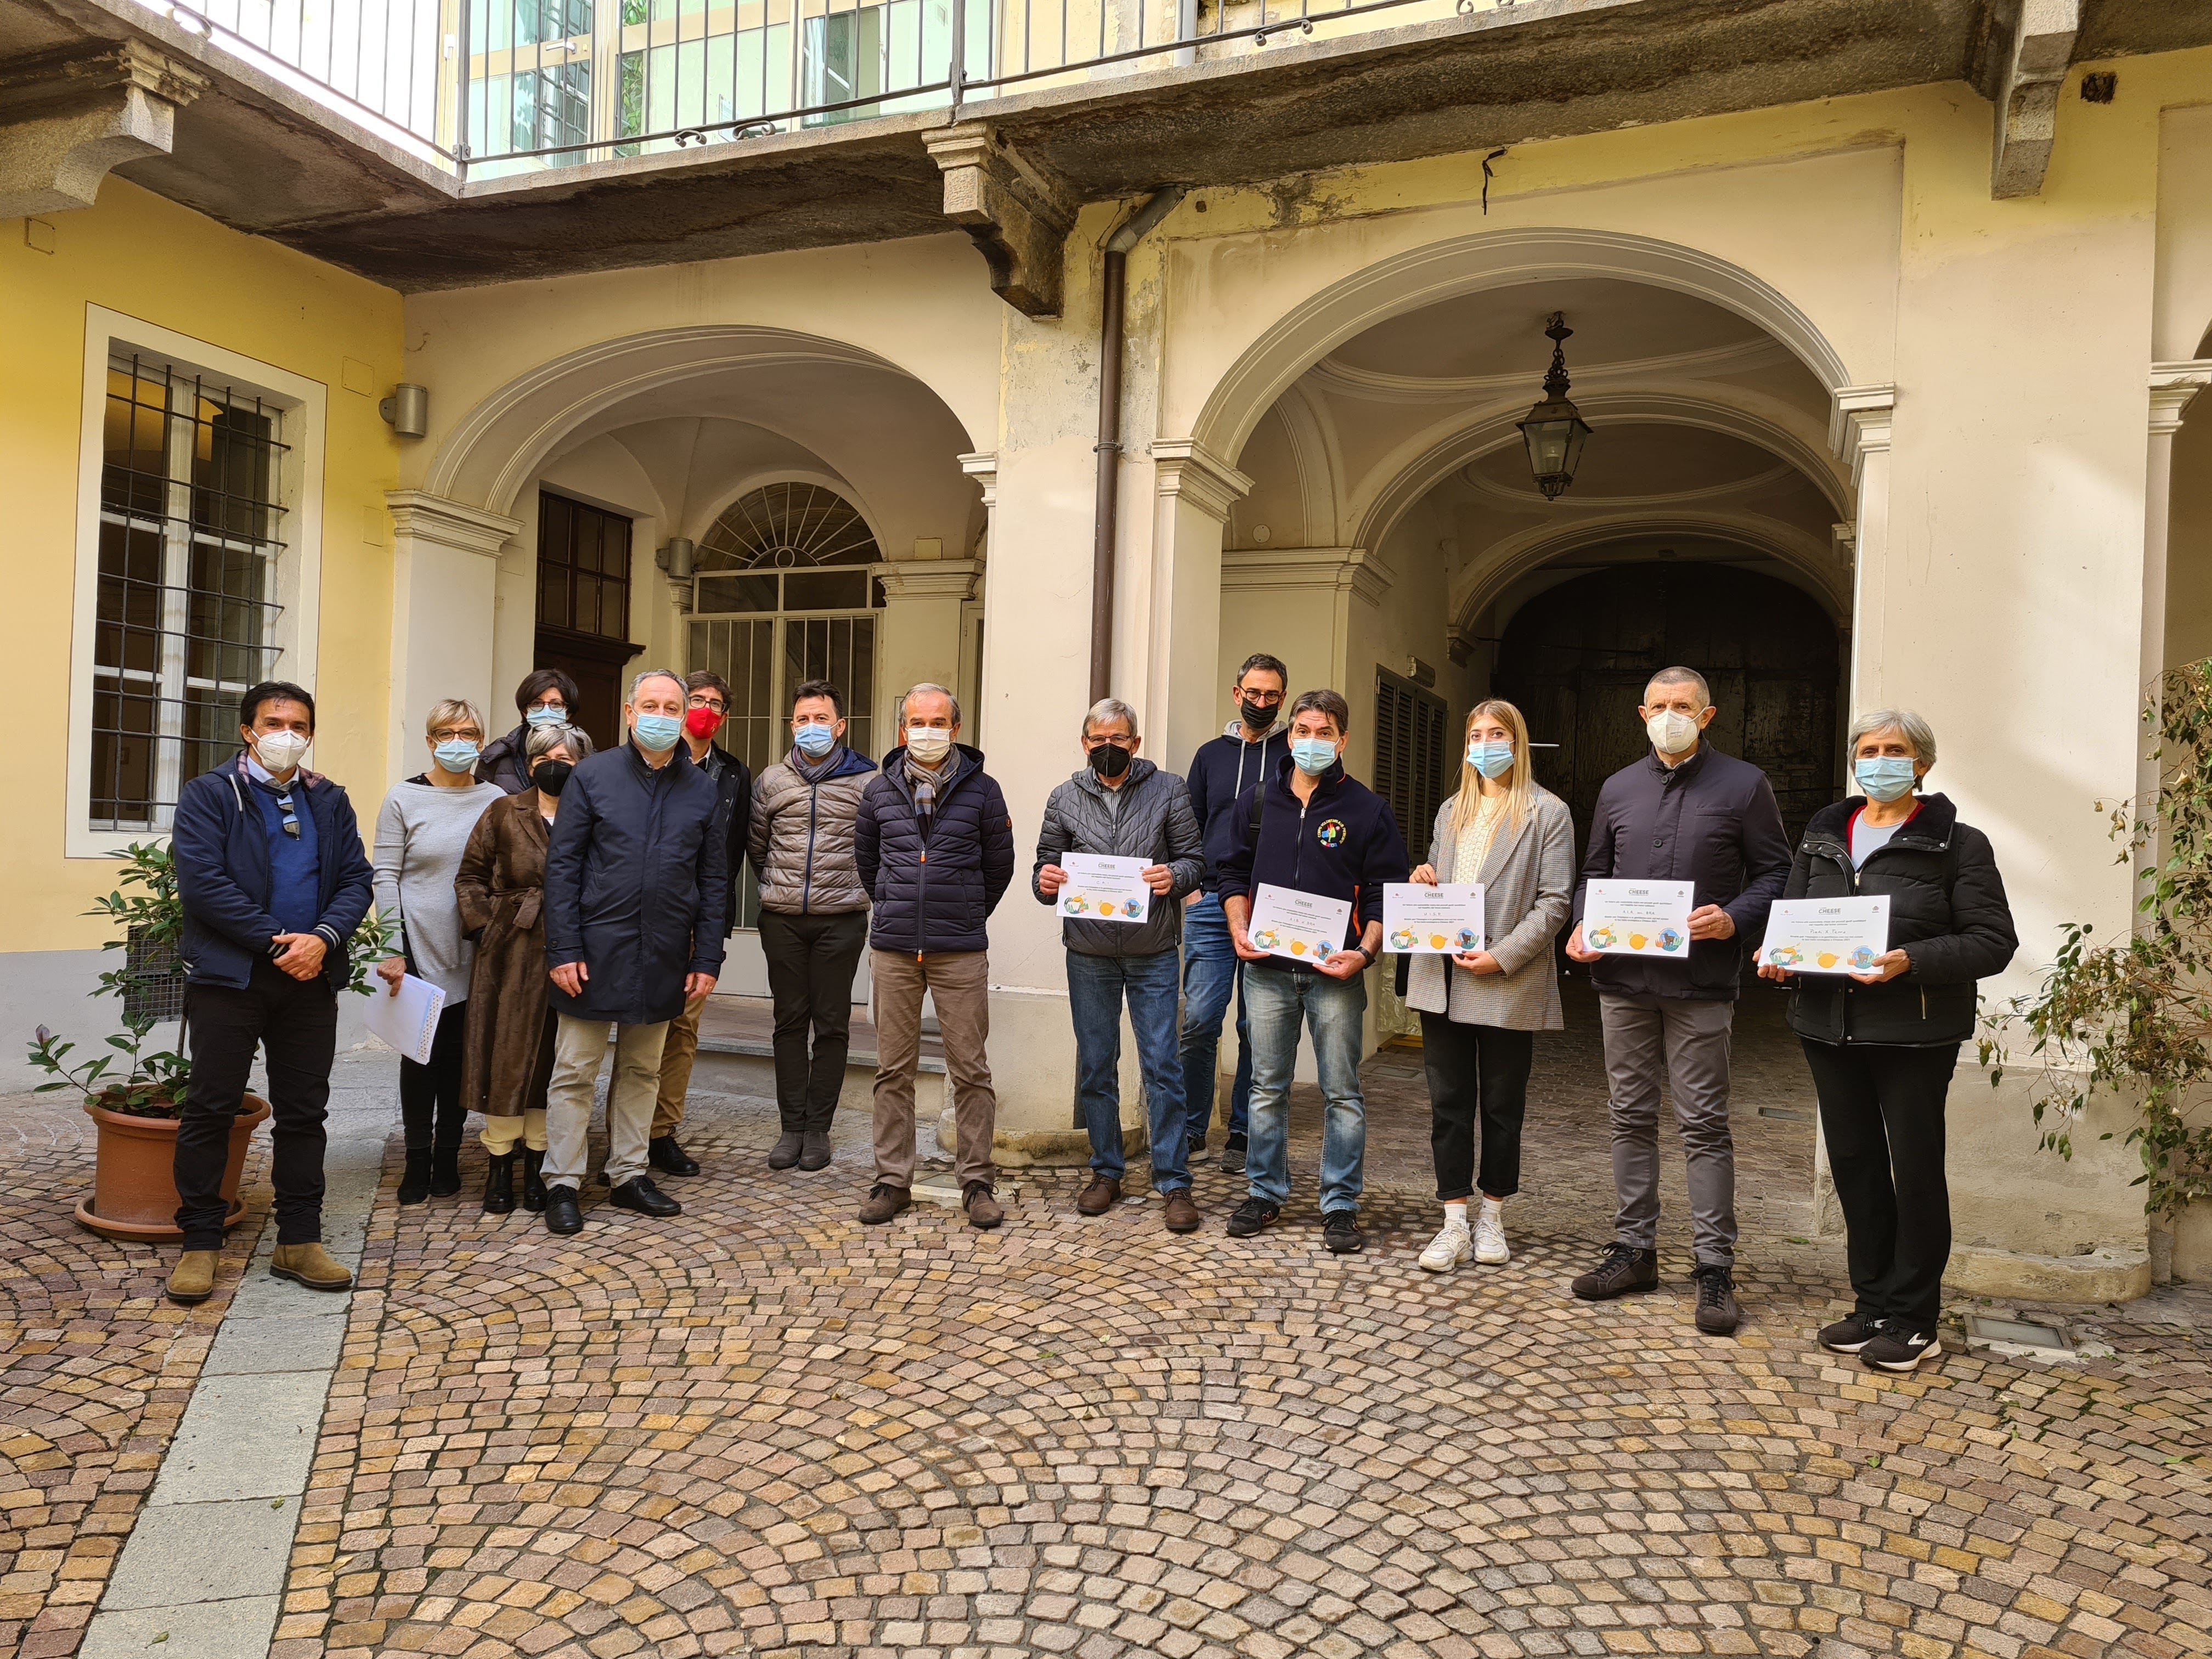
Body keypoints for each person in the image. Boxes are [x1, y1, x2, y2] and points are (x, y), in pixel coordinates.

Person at [1760, 709, 2016, 1374]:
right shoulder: (1822, 837)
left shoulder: (1960, 843)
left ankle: (1915, 1318)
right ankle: (1872, 1304)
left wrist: (1911, 959)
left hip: (1915, 1034)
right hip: (1828, 1027)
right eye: (1868, 750)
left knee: (1915, 1173)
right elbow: (1791, 920)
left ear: (1921, 765)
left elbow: (1993, 941)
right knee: (1856, 1169)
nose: (1880, 760)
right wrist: (1779, 958)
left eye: (1895, 750)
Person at [1564, 665, 1791, 1336]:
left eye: (1683, 705)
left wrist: (1736, 917)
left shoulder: (1745, 786)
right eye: (1659, 705)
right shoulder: (1617, 788)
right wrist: (1583, 923)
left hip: (1700, 982)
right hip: (1624, 982)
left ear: (1708, 714)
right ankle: (1634, 1250)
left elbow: (1777, 870)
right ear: (1641, 714)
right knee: (1629, 1115)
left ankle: (1714, 1267)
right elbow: (1593, 872)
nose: (1671, 714)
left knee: (1703, 1123)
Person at [165, 681, 374, 1305]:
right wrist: (281, 943)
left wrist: (325, 939)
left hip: (311, 981)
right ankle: (201, 1244)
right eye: (275, 721)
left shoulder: (329, 800)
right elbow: (203, 885)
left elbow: (356, 879)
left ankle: (299, 1240)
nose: (288, 734)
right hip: (233, 979)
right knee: (211, 1107)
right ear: (248, 730)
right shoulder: (209, 795)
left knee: (305, 1112)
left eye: (300, 725)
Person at [1217, 687, 1409, 1254]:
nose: (1312, 741)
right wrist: (1238, 928)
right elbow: (1231, 872)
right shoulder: (1256, 803)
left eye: (1324, 732)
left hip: (1335, 974)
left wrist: (1366, 952)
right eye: (1303, 730)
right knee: (1266, 1087)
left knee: (1342, 1092)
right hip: (1269, 970)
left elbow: (1384, 892)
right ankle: (1264, 1192)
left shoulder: (1368, 810)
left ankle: (1341, 1205)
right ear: (1290, 734)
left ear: (1343, 739)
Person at [539, 669, 729, 1235]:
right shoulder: (592, 777)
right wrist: (563, 947)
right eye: (652, 705)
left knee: (644, 1068)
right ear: (629, 713)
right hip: (593, 949)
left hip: (666, 951)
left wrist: (708, 958)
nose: (662, 717)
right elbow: (563, 867)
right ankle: (563, 1182)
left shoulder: (701, 788)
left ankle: (627, 1174)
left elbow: (715, 879)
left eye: (673, 708)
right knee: (574, 1070)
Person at [1404, 700, 1574, 1273]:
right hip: (1443, 979)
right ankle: (1454, 1220)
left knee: (1503, 1107)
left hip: (1505, 979)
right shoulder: (1453, 809)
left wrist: (1500, 957)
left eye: (1496, 733)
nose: (1484, 743)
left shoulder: (1547, 813)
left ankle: (1493, 1215)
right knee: (1448, 1106)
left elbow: (1555, 903)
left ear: (1516, 741)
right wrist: (1423, 878)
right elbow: (1441, 885)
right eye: (1476, 734)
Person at [1034, 699, 1207, 1231]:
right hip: (1088, 953)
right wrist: (1045, 881)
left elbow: (1195, 861)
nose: (1108, 747)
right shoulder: (1064, 797)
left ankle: (1174, 1181)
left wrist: (1173, 877)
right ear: (1084, 744)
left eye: (1119, 738)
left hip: (1152, 949)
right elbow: (1046, 865)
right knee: (1096, 1065)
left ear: (1135, 743)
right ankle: (1106, 1171)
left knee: (1162, 1066)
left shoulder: (1169, 790)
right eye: (1097, 739)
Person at [854, 683, 1015, 1230]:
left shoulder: (984, 790)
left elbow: (1000, 868)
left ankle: (976, 1181)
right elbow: (867, 860)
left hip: (959, 949)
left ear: (956, 728)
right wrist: (898, 904)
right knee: (892, 1070)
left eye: (938, 720)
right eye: (917, 721)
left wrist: (964, 912)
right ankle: (891, 1180)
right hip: (895, 949)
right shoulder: (879, 790)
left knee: (970, 1069)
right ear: (903, 729)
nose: (928, 730)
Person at [456, 721, 592, 1214]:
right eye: (543, 759)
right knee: (505, 1056)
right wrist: (485, 927)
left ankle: (538, 1166)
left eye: (567, 758)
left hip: (571, 952)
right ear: (530, 765)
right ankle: (498, 1166)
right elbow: (469, 875)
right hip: (509, 951)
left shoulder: (594, 813)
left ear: (582, 765)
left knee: (553, 1063)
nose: (554, 766)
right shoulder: (502, 810)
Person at [372, 699, 504, 1203]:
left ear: (480, 740)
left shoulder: (495, 798)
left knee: (457, 1058)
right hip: (416, 946)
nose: (457, 741)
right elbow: (385, 874)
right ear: (430, 741)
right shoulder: (403, 798)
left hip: (475, 948)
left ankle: (447, 1156)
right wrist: (392, 945)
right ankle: (417, 1161)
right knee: (419, 1056)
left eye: (468, 732)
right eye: (446, 733)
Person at [749, 678, 877, 1171]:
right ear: (791, 725)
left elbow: (875, 850)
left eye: (820, 719)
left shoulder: (868, 782)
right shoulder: (771, 781)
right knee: (787, 1023)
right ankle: (791, 1128)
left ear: (840, 726)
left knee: (831, 1025)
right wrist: (785, 889)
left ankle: (818, 1130)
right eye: (802, 719)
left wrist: (848, 892)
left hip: (840, 920)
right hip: (782, 920)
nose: (811, 727)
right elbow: (759, 848)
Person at [1180, 652, 1290, 1173]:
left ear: (1282, 698)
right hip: (1208, 904)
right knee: (1201, 1020)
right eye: (1254, 693)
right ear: (1236, 693)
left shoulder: (1295, 755)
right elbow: (1188, 825)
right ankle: (1193, 1128)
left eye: (1271, 695)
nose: (1262, 702)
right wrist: (1192, 893)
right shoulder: (1209, 756)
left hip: (1272, 907)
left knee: (1256, 1025)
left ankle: (1243, 1131)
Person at [647, 669, 754, 1178]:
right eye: (697, 700)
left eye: (715, 702)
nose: (705, 708)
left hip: (700, 918)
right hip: (643, 915)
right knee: (640, 1024)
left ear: (724, 716)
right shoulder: (643, 764)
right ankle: (626, 1129)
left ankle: (661, 1132)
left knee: (684, 1030)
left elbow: (731, 855)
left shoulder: (734, 772)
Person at [477, 668, 582, 794]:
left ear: (568, 713)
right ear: (525, 711)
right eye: (537, 703)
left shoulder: (586, 756)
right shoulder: (496, 756)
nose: (546, 710)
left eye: (556, 704)